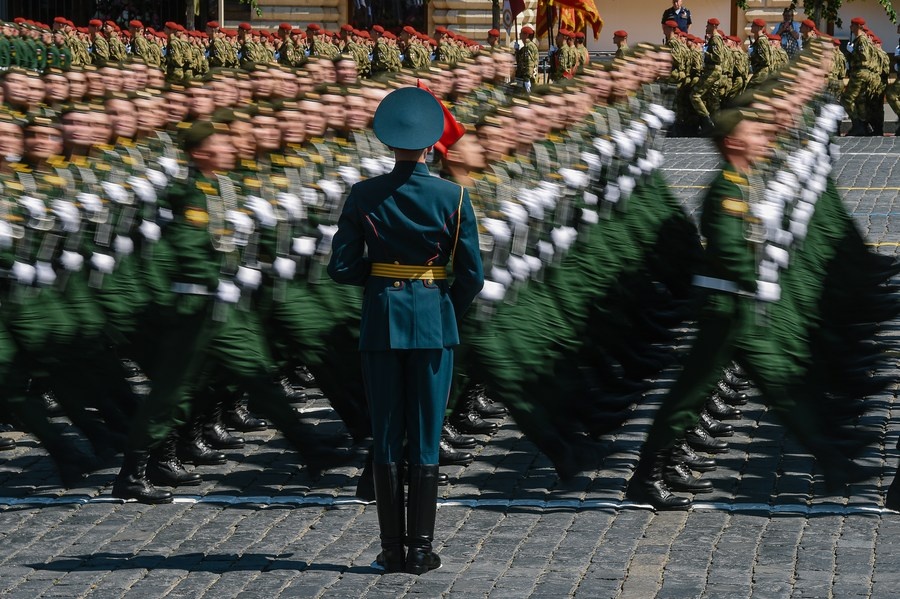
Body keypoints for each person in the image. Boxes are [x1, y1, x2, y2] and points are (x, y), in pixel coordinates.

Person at [328, 86, 484, 574]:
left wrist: (378, 281)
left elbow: (341, 267)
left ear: (389, 142)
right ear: (431, 145)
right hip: (434, 321)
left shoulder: (364, 194)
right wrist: (444, 308)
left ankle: (391, 548)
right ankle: (420, 549)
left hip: (381, 320)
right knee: (426, 436)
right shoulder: (453, 196)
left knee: (386, 431)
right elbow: (472, 275)